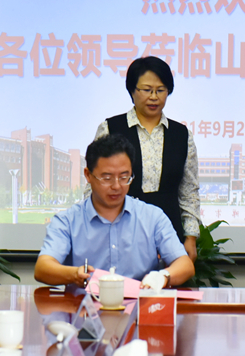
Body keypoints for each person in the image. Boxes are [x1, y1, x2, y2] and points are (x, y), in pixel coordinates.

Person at [34, 134, 195, 287]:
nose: (117, 186)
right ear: (88, 175)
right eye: (107, 178)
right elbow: (42, 268)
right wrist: (74, 274)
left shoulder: (152, 217)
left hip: (139, 303)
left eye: (124, 177)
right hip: (85, 304)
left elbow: (185, 265)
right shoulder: (67, 221)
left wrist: (163, 276)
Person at [87, 56, 200, 262]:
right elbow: (94, 185)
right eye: (147, 90)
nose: (154, 97)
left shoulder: (181, 135)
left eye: (161, 90)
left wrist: (190, 237)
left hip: (169, 232)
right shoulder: (110, 128)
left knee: (166, 281)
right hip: (119, 229)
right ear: (132, 91)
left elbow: (189, 191)